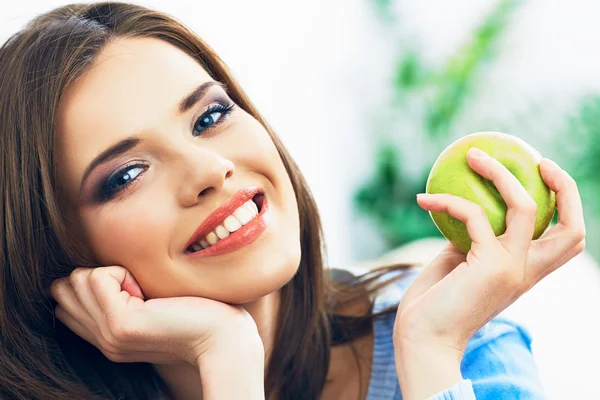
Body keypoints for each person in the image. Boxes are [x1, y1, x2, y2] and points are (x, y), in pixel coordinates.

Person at [0, 2, 585, 399]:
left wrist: (430, 355)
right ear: (51, 246)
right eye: (127, 174)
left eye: (209, 116)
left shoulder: (462, 339)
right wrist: (224, 355)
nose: (209, 169)